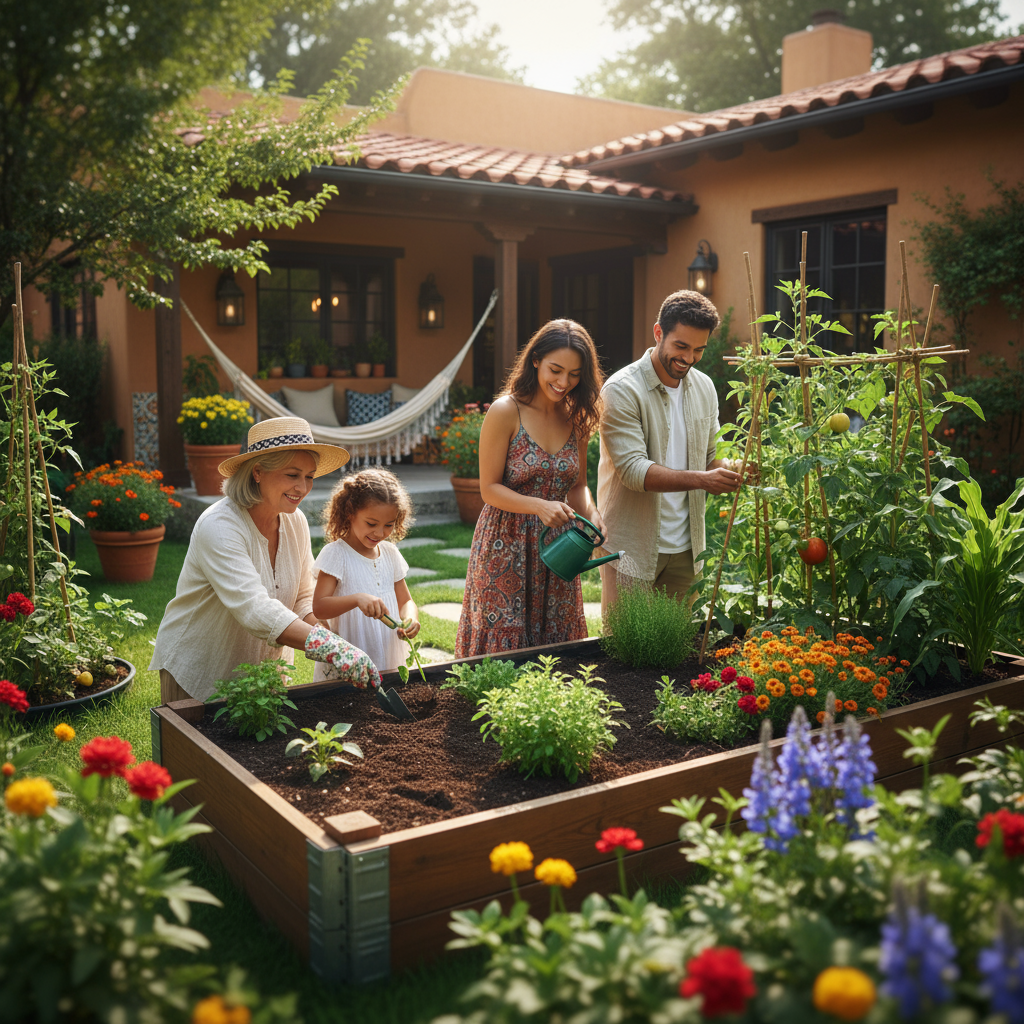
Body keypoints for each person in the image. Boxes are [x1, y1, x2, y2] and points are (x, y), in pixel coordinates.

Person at [150, 416, 380, 703]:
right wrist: (327, 646)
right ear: (258, 472)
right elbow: (254, 608)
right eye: (292, 474)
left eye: (309, 476)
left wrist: (325, 636)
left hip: (262, 679)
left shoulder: (294, 521)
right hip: (198, 674)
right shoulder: (219, 526)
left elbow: (302, 595)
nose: (303, 487)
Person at [455, 319, 604, 657]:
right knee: (502, 654)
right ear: (535, 359)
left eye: (575, 374)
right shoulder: (506, 411)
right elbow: (489, 489)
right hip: (504, 545)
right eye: (556, 369)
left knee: (558, 652)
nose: (564, 382)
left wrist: (592, 515)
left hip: (558, 549)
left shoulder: (576, 416)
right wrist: (539, 506)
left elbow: (579, 485)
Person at [597, 290, 743, 616]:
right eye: (681, 347)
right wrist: (704, 480)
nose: (689, 358)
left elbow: (710, 459)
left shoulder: (704, 387)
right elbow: (634, 472)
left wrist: (738, 468)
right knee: (625, 651)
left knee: (676, 654)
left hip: (687, 549)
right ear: (658, 333)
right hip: (631, 546)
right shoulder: (622, 390)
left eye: (698, 350)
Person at [310, 468, 420, 676]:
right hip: (350, 656)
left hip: (388, 653)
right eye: (371, 523)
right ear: (350, 513)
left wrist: (410, 618)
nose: (380, 533)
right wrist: (356, 599)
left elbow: (406, 600)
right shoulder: (336, 554)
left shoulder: (390, 553)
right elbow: (319, 608)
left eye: (389, 525)